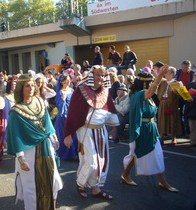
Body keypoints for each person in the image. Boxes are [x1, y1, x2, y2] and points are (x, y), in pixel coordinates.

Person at [7, 74, 63, 210]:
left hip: (46, 147)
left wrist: (54, 137)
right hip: (28, 152)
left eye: (33, 85)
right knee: (31, 186)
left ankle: (52, 207)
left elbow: (47, 122)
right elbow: (16, 136)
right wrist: (21, 159)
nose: (31, 88)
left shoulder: (39, 101)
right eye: (27, 86)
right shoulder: (16, 112)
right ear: (21, 88)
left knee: (52, 179)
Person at [64, 65, 119, 200]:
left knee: (103, 160)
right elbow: (73, 112)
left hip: (101, 130)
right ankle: (80, 183)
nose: (99, 77)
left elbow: (110, 109)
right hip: (86, 129)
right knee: (91, 161)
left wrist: (114, 127)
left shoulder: (105, 91)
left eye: (102, 75)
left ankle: (96, 188)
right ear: (91, 76)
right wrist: (68, 134)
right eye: (97, 75)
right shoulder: (81, 90)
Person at [121, 66, 179, 193]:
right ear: (145, 84)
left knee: (151, 153)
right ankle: (127, 175)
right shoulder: (141, 94)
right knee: (142, 153)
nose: (153, 83)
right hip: (143, 129)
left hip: (151, 128)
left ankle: (161, 181)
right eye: (151, 82)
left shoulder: (148, 96)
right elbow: (153, 89)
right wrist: (159, 75)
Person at [157, 66, 182, 145]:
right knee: (162, 120)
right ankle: (161, 137)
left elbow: (182, 96)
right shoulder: (162, 82)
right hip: (163, 102)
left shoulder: (177, 83)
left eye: (166, 72)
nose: (165, 74)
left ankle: (173, 138)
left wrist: (177, 93)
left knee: (173, 120)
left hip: (172, 103)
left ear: (172, 74)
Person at [54, 74, 77, 160]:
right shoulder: (60, 92)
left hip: (72, 114)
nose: (67, 82)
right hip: (63, 116)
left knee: (73, 133)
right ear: (62, 82)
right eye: (65, 80)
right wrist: (63, 100)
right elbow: (58, 104)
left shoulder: (72, 90)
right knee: (63, 133)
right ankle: (64, 154)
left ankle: (73, 153)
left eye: (68, 80)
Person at [175, 60, 195, 136]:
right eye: (183, 67)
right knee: (179, 113)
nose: (184, 69)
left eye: (186, 67)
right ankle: (181, 130)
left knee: (187, 113)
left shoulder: (192, 74)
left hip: (188, 95)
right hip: (180, 94)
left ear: (190, 67)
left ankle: (188, 130)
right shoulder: (178, 72)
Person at [186, 73, 196, 146]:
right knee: (192, 126)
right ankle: (192, 141)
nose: (195, 77)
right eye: (195, 75)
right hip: (191, 108)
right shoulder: (189, 84)